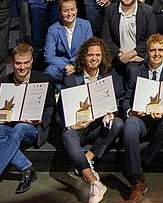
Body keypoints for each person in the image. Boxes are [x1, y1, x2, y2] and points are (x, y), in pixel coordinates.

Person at [0, 44, 55, 202]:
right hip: (11, 127)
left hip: (32, 128)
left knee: (20, 128)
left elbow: (50, 109)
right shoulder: (3, 82)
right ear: (12, 63)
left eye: (26, 62)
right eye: (18, 63)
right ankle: (26, 167)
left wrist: (40, 119)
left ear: (32, 61)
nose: (22, 67)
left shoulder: (44, 79)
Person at [122, 35, 163, 203]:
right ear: (147, 52)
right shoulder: (136, 72)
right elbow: (126, 101)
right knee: (129, 123)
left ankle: (143, 159)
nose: (156, 54)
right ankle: (137, 181)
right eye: (152, 50)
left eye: (160, 50)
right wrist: (132, 112)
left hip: (162, 122)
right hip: (141, 121)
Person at [61, 37, 124, 203]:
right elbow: (63, 109)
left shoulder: (108, 77)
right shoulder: (71, 78)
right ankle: (94, 182)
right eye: (90, 55)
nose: (94, 58)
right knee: (68, 136)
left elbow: (114, 104)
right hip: (78, 127)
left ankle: (87, 159)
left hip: (98, 127)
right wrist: (72, 125)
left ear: (102, 57)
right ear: (83, 57)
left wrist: (110, 114)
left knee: (117, 123)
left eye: (97, 55)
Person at [101, 0, 156, 77]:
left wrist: (130, 55)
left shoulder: (148, 11)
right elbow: (106, 39)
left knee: (132, 72)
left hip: (138, 59)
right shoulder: (110, 11)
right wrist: (120, 56)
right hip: (116, 59)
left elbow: (151, 39)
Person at [44, 0, 93, 89]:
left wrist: (76, 66)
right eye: (66, 11)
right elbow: (49, 56)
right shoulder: (53, 29)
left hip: (80, 63)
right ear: (60, 12)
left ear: (77, 10)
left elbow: (88, 51)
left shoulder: (86, 25)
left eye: (72, 10)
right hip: (61, 65)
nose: (70, 14)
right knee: (50, 71)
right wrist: (65, 66)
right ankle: (58, 92)